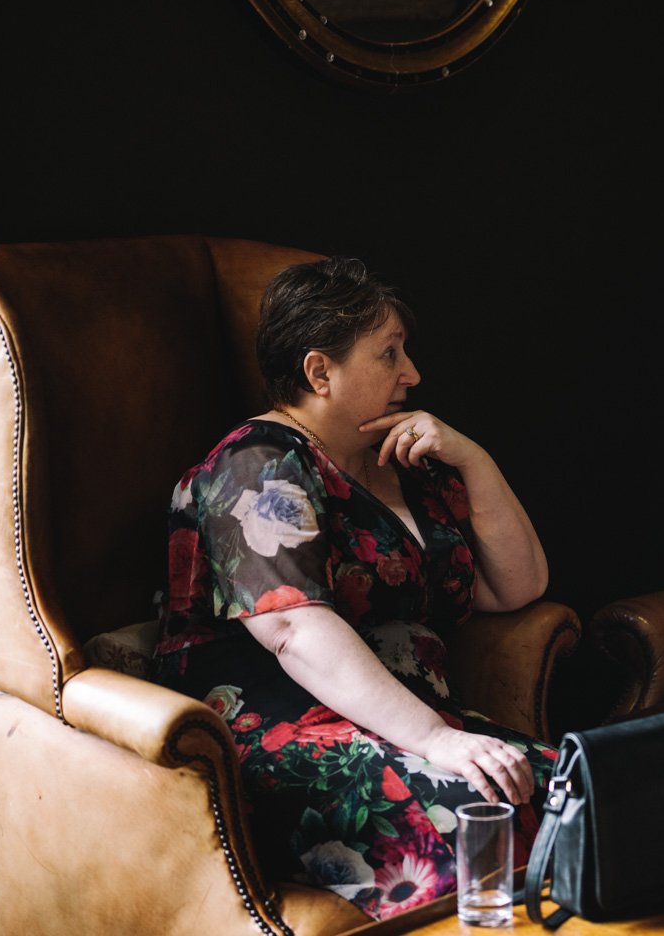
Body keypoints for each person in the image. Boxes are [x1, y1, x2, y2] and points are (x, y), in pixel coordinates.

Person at [154, 257, 554, 921]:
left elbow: (516, 586)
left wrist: (473, 459)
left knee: (575, 795)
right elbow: (293, 629)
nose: (412, 373)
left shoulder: (406, 464)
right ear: (320, 372)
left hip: (405, 720)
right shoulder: (258, 463)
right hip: (282, 728)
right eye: (389, 353)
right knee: (473, 826)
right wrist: (435, 740)